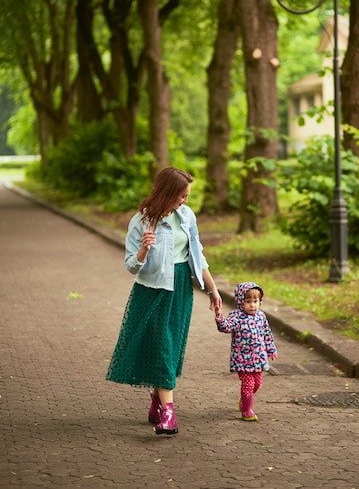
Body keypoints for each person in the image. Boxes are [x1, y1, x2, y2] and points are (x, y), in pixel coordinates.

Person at [106, 167, 221, 436]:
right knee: (162, 347)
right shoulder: (141, 221)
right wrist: (144, 249)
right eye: (182, 195)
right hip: (152, 291)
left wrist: (213, 290)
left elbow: (197, 256)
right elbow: (131, 266)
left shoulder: (186, 216)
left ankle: (158, 403)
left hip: (180, 287)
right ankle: (168, 414)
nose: (186, 201)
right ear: (168, 193)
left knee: (172, 345)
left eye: (187, 195)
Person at [214, 281, 277, 421]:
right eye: (248, 301)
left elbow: (267, 334)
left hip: (259, 358)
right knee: (248, 384)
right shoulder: (236, 316)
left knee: (257, 383)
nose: (252, 305)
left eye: (255, 301)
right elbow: (226, 327)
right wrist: (219, 317)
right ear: (240, 301)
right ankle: (247, 410)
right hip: (242, 359)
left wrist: (271, 349)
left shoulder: (261, 316)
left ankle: (244, 400)